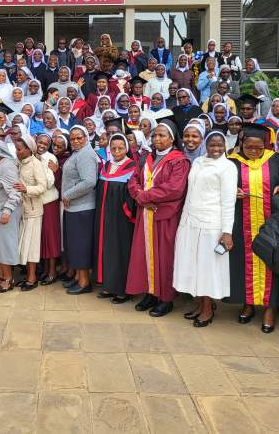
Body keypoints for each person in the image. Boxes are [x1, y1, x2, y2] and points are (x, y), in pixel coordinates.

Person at [228, 123, 279, 333]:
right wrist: (233, 190)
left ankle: (270, 308)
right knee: (244, 262)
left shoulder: (277, 160)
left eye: (258, 148)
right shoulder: (232, 162)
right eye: (249, 147)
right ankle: (248, 303)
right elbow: (220, 185)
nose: (253, 152)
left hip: (272, 224)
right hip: (242, 223)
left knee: (272, 261)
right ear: (242, 144)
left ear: (266, 145)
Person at [126, 121, 190, 317]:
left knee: (164, 257)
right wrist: (139, 197)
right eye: (155, 136)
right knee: (145, 255)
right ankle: (151, 293)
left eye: (162, 135)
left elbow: (174, 188)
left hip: (164, 217)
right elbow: (133, 180)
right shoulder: (147, 158)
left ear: (172, 138)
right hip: (146, 215)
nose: (157, 139)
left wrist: (144, 197)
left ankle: (166, 298)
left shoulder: (179, 160)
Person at [173, 130, 236, 326]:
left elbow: (228, 202)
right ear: (206, 146)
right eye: (212, 145)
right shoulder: (198, 162)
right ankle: (200, 305)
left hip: (212, 225)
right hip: (190, 222)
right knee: (193, 266)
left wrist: (227, 232)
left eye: (220, 145)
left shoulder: (228, 167)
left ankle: (208, 309)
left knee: (208, 269)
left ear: (225, 146)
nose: (216, 149)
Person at [92, 134, 137, 304]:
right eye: (113, 148)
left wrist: (125, 212)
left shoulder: (132, 167)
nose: (117, 151)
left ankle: (123, 290)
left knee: (119, 251)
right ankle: (108, 285)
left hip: (121, 219)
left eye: (121, 148)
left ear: (127, 149)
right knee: (105, 249)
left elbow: (131, 194)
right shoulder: (106, 166)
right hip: (103, 217)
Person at [61, 125, 101, 295]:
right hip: (75, 208)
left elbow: (89, 181)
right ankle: (79, 277)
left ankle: (85, 282)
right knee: (75, 245)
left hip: (82, 208)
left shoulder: (85, 154)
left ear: (86, 138)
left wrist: (68, 194)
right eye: (73, 138)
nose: (76, 141)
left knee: (81, 246)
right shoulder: (78, 153)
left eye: (79, 137)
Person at [0, 139, 23, 293]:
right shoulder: (1, 165)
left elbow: (16, 192)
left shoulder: (7, 166)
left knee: (4, 247)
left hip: (5, 211)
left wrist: (7, 211)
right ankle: (1, 277)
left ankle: (8, 278)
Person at [13, 134, 49, 290]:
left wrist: (26, 189)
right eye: (16, 148)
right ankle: (28, 275)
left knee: (32, 245)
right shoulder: (19, 163)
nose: (17, 152)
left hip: (33, 210)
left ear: (29, 149)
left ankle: (32, 278)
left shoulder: (36, 164)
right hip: (20, 209)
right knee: (23, 245)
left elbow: (42, 187)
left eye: (19, 149)